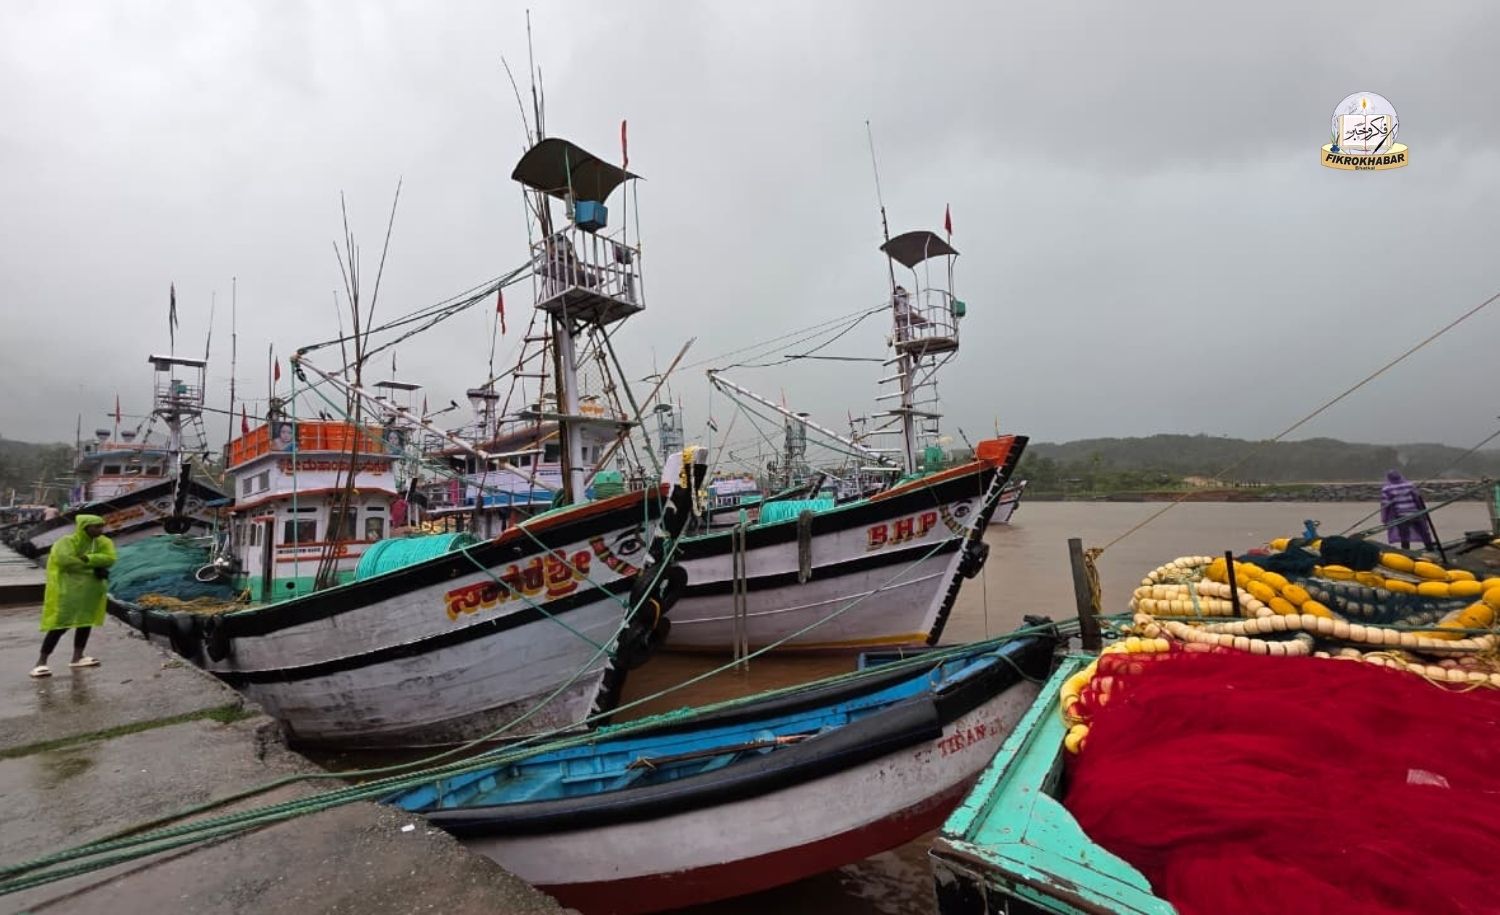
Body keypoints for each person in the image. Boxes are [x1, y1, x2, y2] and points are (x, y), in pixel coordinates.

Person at [32, 514, 115, 678]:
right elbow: (64, 561)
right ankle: (41, 662)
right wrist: (93, 564)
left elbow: (110, 558)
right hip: (67, 590)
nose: (100, 529)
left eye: (101, 526)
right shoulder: (66, 542)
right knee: (60, 625)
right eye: (96, 526)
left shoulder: (104, 542)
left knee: (85, 623)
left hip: (91, 590)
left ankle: (78, 656)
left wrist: (86, 558)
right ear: (85, 527)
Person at [1380, 469, 1437, 551]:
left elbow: (1385, 505)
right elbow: (1417, 498)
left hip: (1401, 515)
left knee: (1404, 535)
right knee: (1424, 532)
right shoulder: (1409, 485)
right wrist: (1423, 513)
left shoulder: (1386, 489)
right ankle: (1430, 549)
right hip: (1415, 513)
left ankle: (1406, 552)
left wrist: (1385, 519)